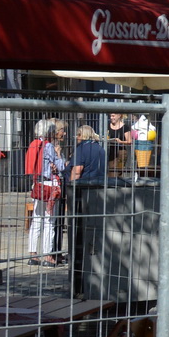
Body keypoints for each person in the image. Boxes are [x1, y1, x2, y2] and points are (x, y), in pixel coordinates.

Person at [69, 123, 108, 297]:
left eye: (77, 135)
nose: (76, 138)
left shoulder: (81, 149)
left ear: (81, 135)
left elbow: (77, 172)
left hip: (81, 193)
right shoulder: (100, 149)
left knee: (79, 236)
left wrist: (70, 186)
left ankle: (78, 285)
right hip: (99, 192)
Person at [27, 119, 67, 265]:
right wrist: (58, 154)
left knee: (36, 219)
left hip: (37, 183)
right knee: (50, 221)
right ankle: (47, 255)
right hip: (50, 185)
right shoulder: (48, 146)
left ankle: (32, 254)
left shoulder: (34, 144)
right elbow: (60, 166)